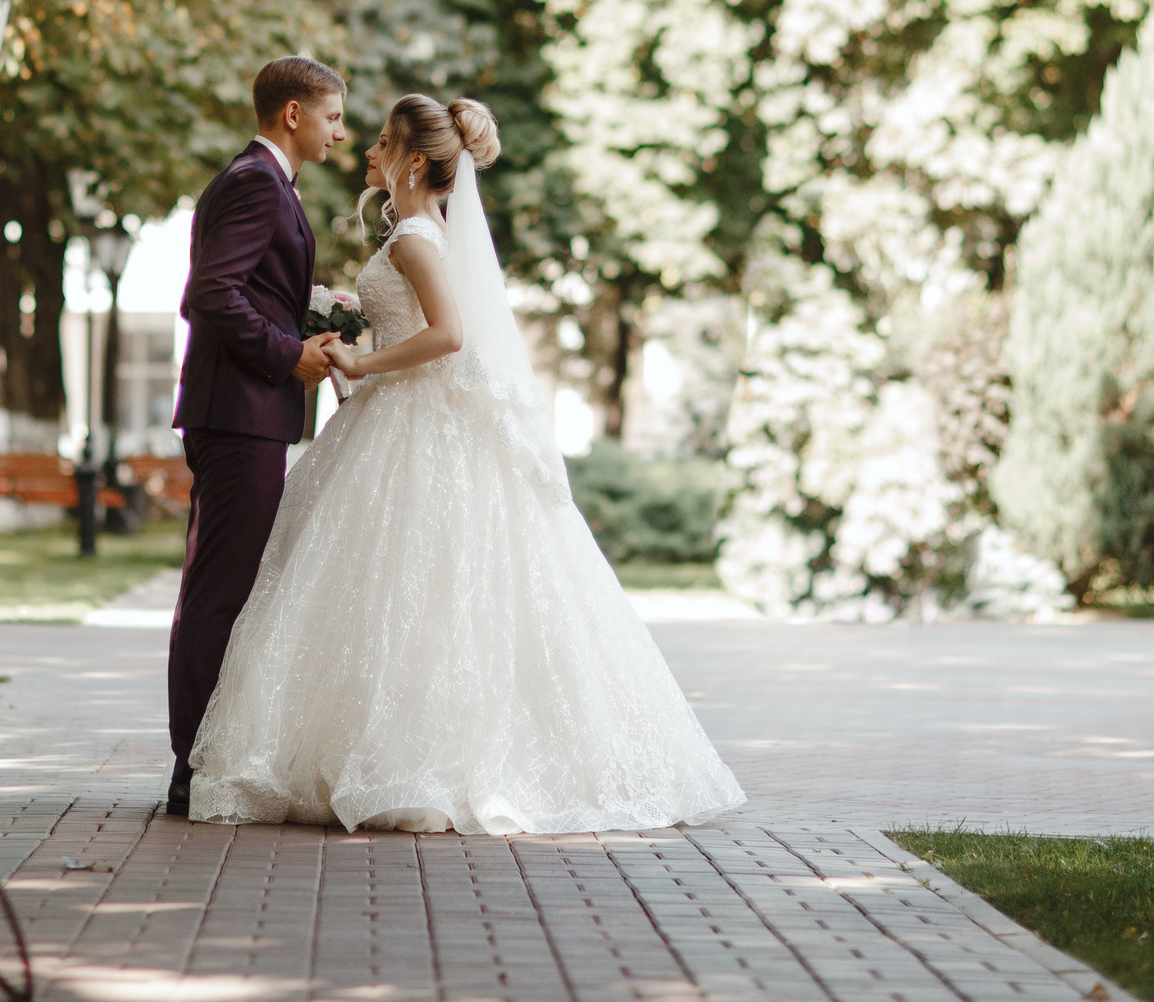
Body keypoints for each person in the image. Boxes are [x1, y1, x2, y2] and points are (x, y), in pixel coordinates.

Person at [188, 94, 744, 834]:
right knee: (386, 594)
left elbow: (448, 335)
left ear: (415, 159)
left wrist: (363, 357)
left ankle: (413, 760)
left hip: (414, 419)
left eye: (383, 141)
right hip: (394, 418)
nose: (367, 151)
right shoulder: (416, 233)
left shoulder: (417, 237)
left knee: (410, 589)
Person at [164, 55, 349, 819]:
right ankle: (192, 767)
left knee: (225, 590)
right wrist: (288, 353)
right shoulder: (253, 182)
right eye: (334, 115)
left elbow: (247, 285)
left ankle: (199, 759)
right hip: (237, 413)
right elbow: (209, 294)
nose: (344, 130)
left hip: (242, 412)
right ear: (294, 114)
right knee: (219, 595)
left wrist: (310, 305)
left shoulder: (265, 183)